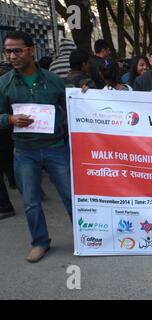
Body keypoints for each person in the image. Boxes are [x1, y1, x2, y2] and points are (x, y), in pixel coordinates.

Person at [0, 31, 72, 263]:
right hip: (24, 152)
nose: (12, 55)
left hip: (56, 148)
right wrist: (10, 120)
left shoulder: (53, 81)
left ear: (31, 50)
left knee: (70, 196)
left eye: (17, 50)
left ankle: (86, 237)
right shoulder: (4, 83)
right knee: (30, 201)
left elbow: (73, 108)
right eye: (8, 51)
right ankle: (40, 242)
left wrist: (82, 93)